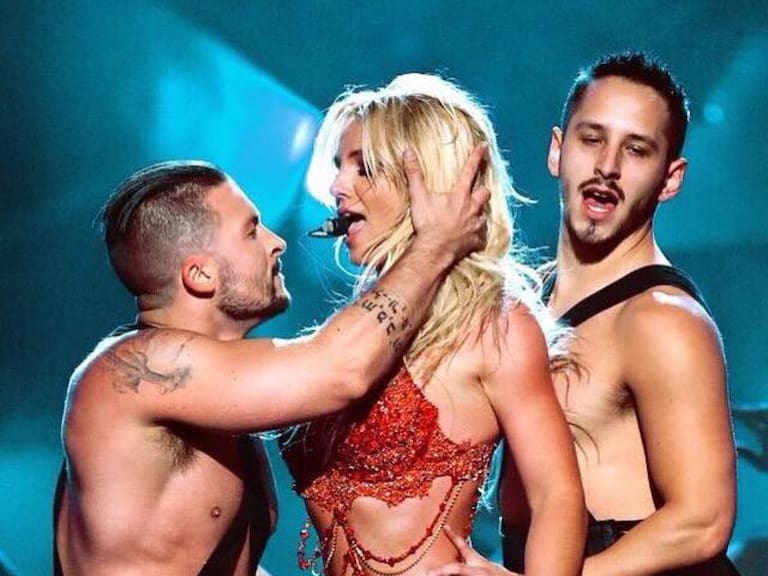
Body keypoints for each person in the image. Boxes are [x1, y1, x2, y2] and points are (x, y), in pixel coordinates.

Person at [54, 155, 490, 576]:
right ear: (200, 275)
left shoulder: (218, 401)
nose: (276, 241)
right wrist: (435, 244)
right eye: (251, 231)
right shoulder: (132, 370)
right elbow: (341, 369)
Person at [429, 52, 740, 576]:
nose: (607, 166)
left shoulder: (662, 321)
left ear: (670, 179)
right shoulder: (527, 301)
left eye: (636, 150)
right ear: (558, 150)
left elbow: (702, 521)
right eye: (592, 139)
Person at [281, 73, 585, 576]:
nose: (337, 187)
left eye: (363, 168)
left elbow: (558, 496)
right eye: (339, 167)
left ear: (423, 181)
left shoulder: (495, 324)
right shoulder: (353, 330)